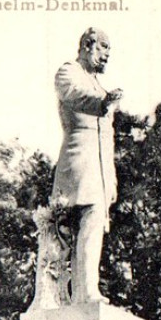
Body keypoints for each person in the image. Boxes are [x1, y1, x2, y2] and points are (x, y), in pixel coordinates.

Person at [51, 28, 123, 302]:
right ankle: (72, 293)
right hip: (77, 161)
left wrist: (111, 178)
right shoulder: (69, 71)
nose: (106, 55)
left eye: (108, 50)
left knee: (93, 223)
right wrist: (103, 102)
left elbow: (108, 138)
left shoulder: (98, 84)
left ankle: (86, 290)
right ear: (86, 45)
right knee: (67, 230)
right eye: (103, 48)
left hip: (100, 169)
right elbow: (73, 94)